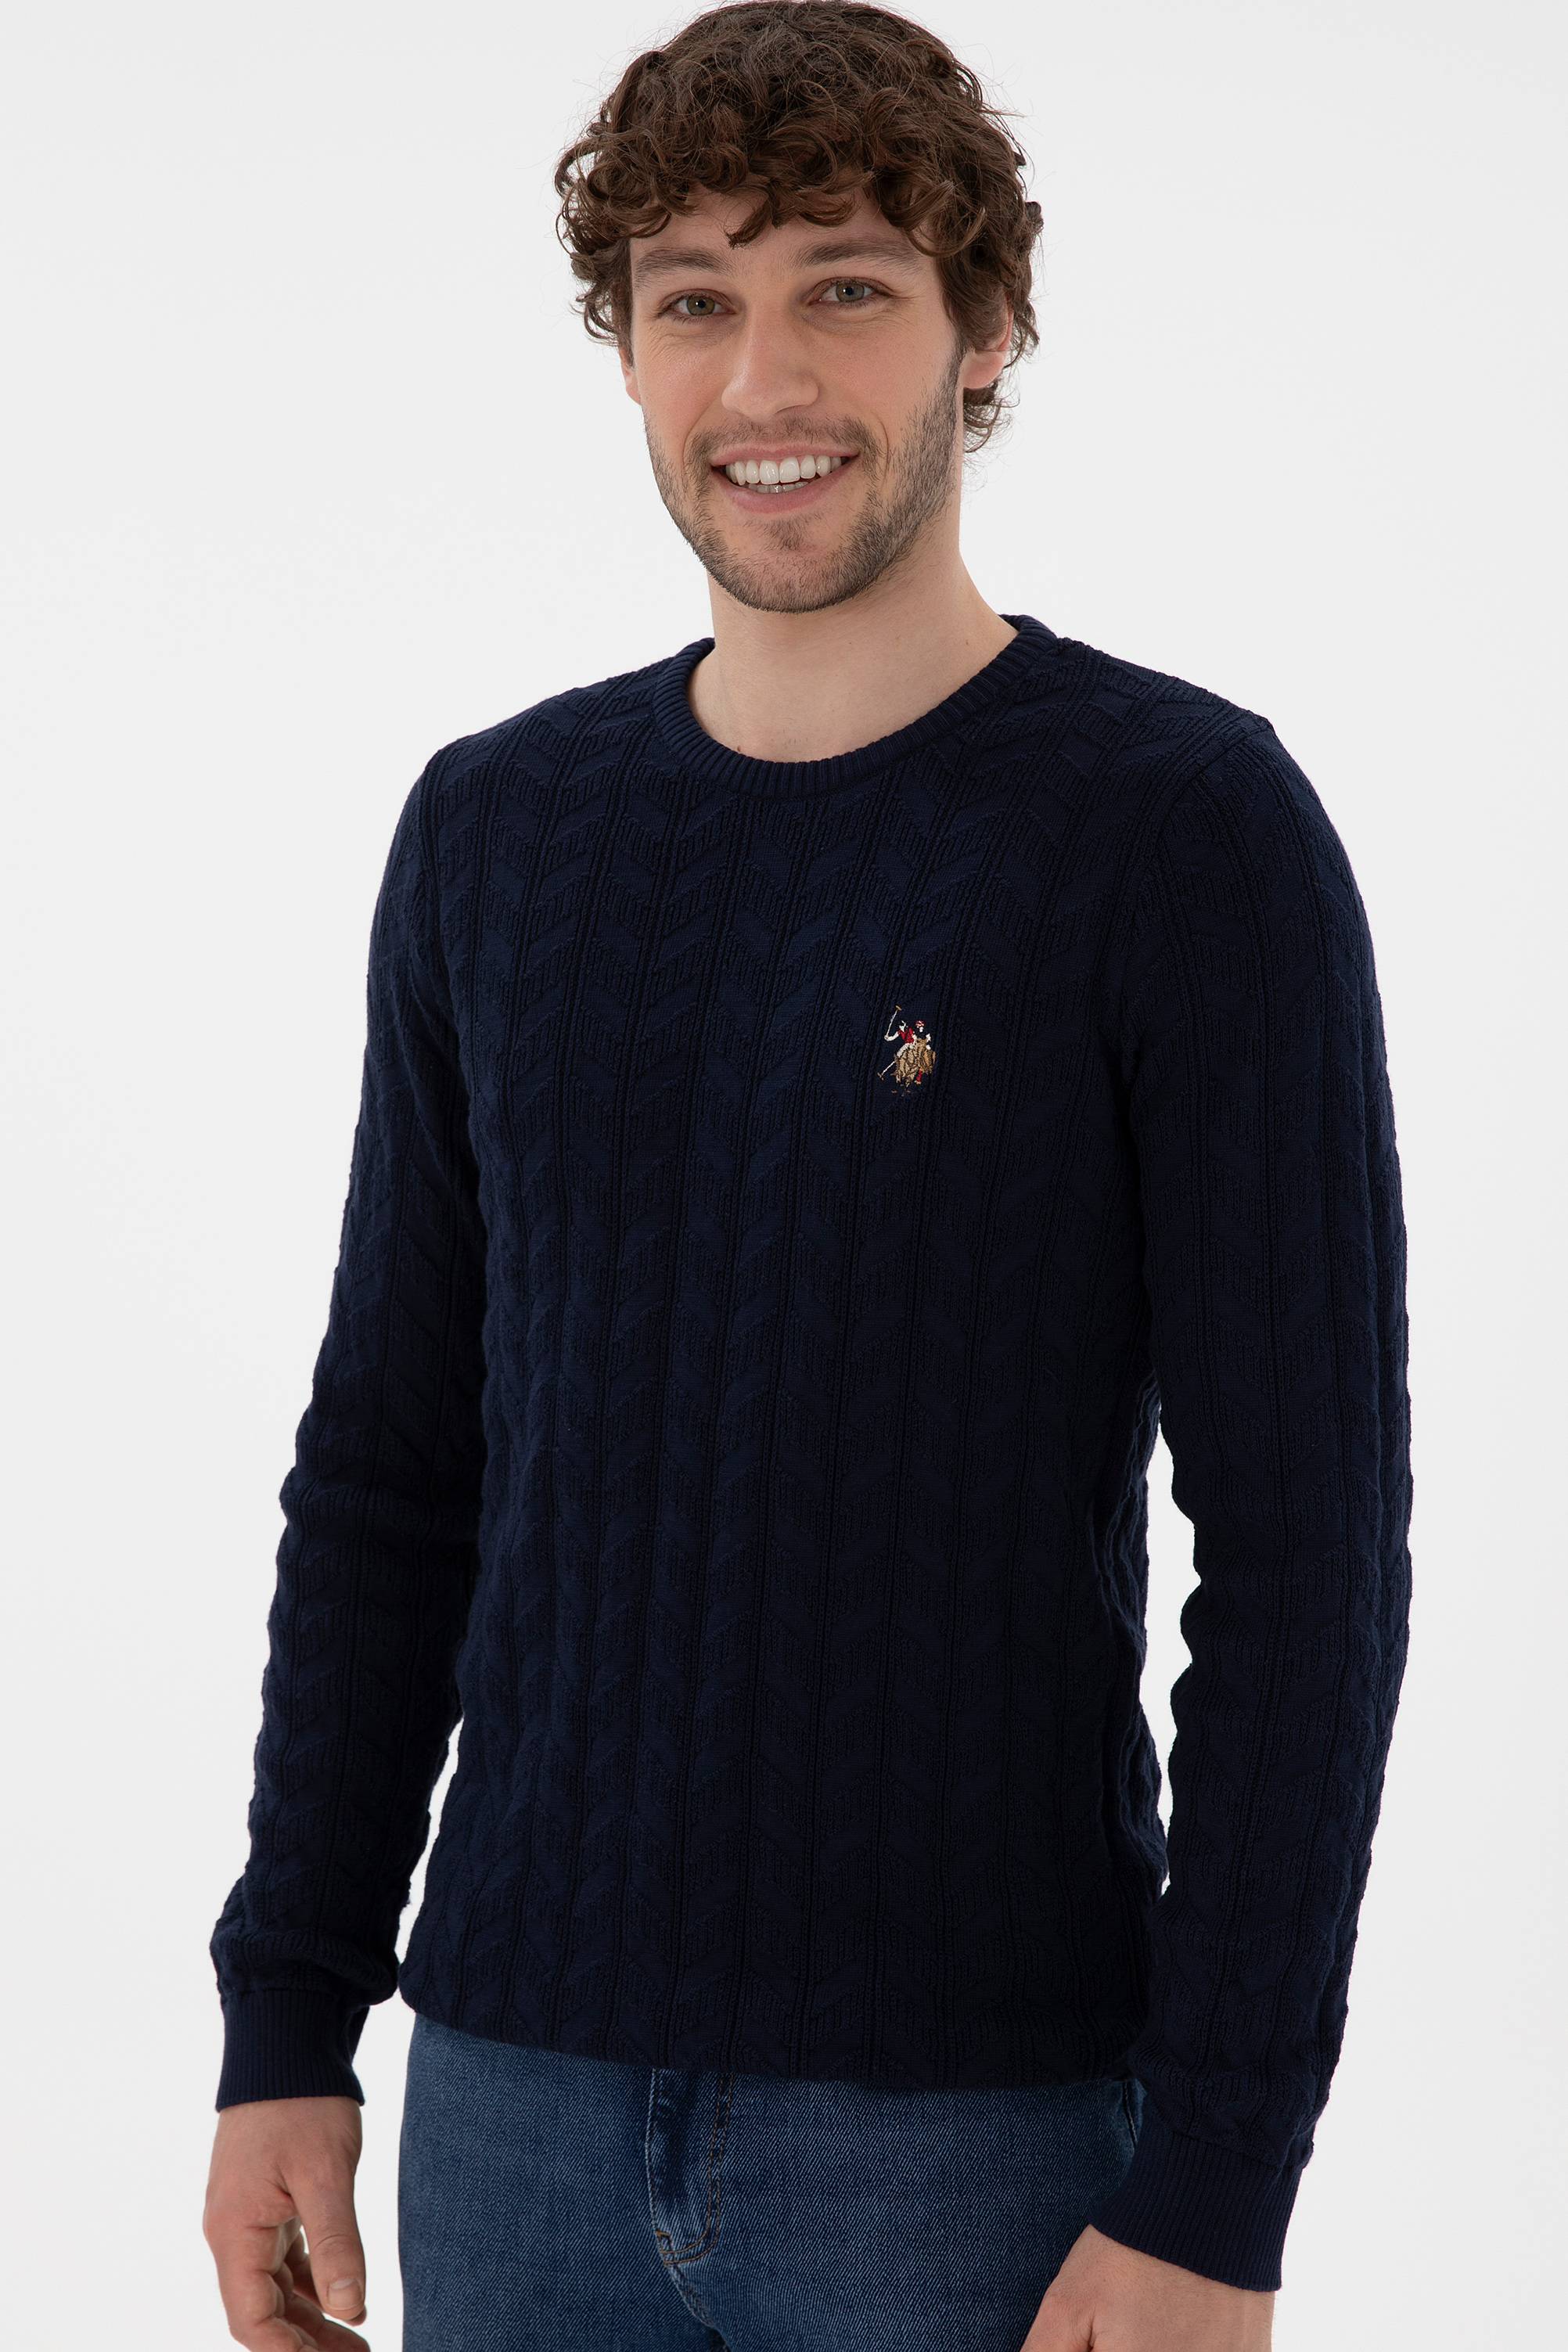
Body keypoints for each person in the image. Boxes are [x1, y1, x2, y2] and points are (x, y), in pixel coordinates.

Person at [202, 6, 1412, 2348]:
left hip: (976, 2144)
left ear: (985, 327)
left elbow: (1303, 1565)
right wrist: (287, 2023)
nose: (764, 378)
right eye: (695, 299)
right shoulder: (495, 831)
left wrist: (1217, 2186)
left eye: (844, 285)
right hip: (511, 2109)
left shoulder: (1182, 833)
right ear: (629, 349)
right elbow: (389, 1475)